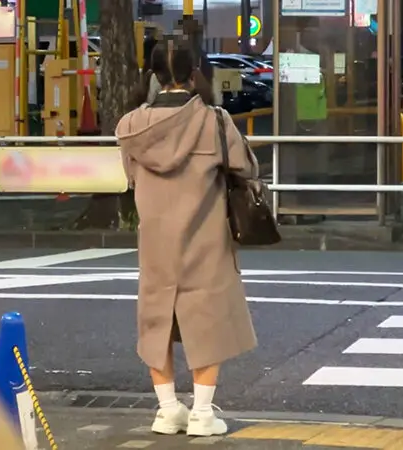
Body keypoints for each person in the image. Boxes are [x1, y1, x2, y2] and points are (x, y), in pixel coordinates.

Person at [115, 45, 258, 437]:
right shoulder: (214, 121)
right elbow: (246, 166)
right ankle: (202, 412)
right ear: (194, 75)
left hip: (156, 239)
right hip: (205, 234)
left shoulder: (131, 125)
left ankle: (167, 410)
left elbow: (130, 177)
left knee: (156, 318)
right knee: (207, 317)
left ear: (155, 76)